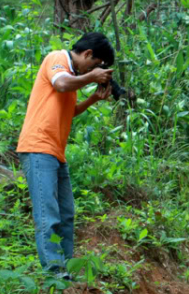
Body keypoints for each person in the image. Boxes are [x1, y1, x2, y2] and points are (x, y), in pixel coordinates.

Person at [16, 32, 115, 276]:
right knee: (47, 213)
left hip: (55, 153)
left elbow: (68, 112)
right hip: (38, 148)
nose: (93, 70)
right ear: (88, 54)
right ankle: (54, 271)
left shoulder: (73, 78)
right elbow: (60, 83)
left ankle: (66, 267)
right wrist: (92, 77)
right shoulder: (57, 58)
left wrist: (93, 98)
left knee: (66, 213)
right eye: (95, 65)